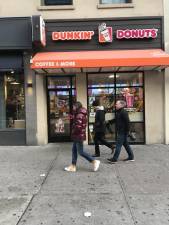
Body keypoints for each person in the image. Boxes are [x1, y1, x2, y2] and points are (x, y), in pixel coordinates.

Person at [64, 101, 100, 172]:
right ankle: (73, 166)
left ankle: (94, 161)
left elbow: (78, 127)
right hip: (77, 135)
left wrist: (73, 131)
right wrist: (71, 117)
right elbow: (76, 119)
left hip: (78, 136)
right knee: (74, 150)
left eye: (74, 106)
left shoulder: (79, 115)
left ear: (77, 106)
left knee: (80, 152)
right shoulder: (79, 114)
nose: (73, 108)